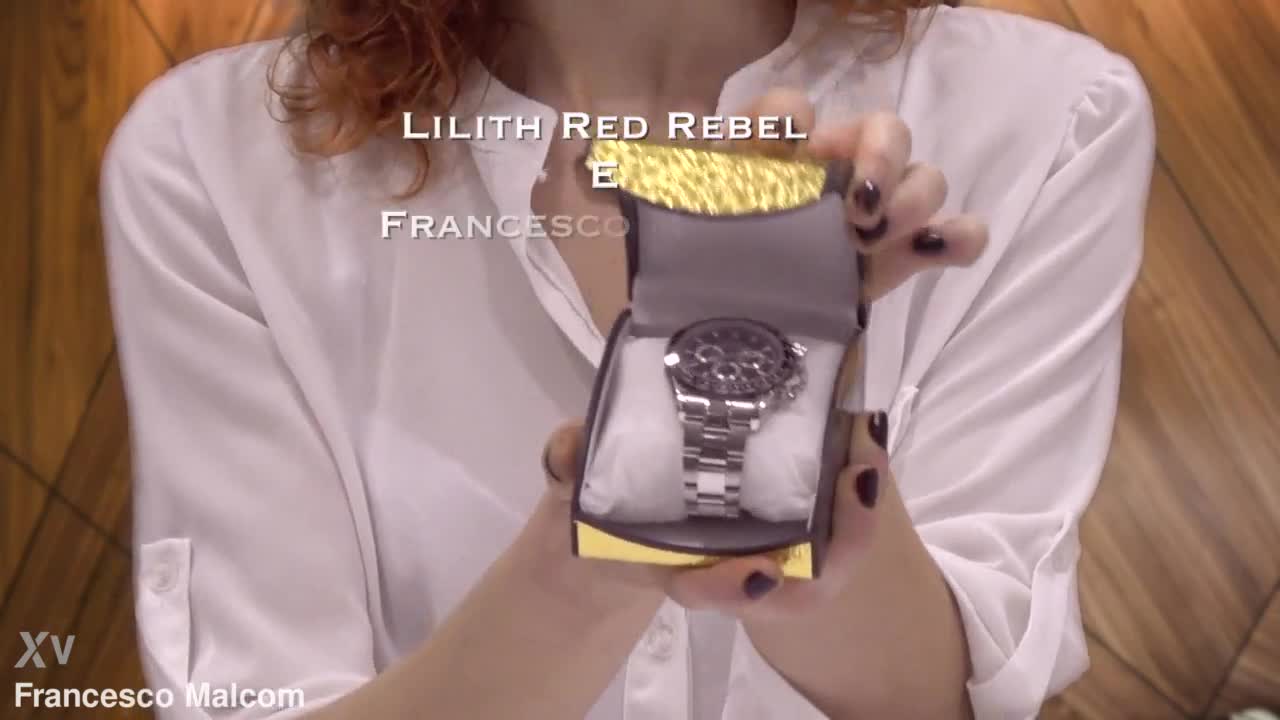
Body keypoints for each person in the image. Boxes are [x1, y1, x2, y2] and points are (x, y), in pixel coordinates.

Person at [101, 0, 1155, 718]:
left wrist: (781, 454)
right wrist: (616, 529)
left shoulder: (1046, 119)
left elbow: (940, 696)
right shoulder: (217, 161)